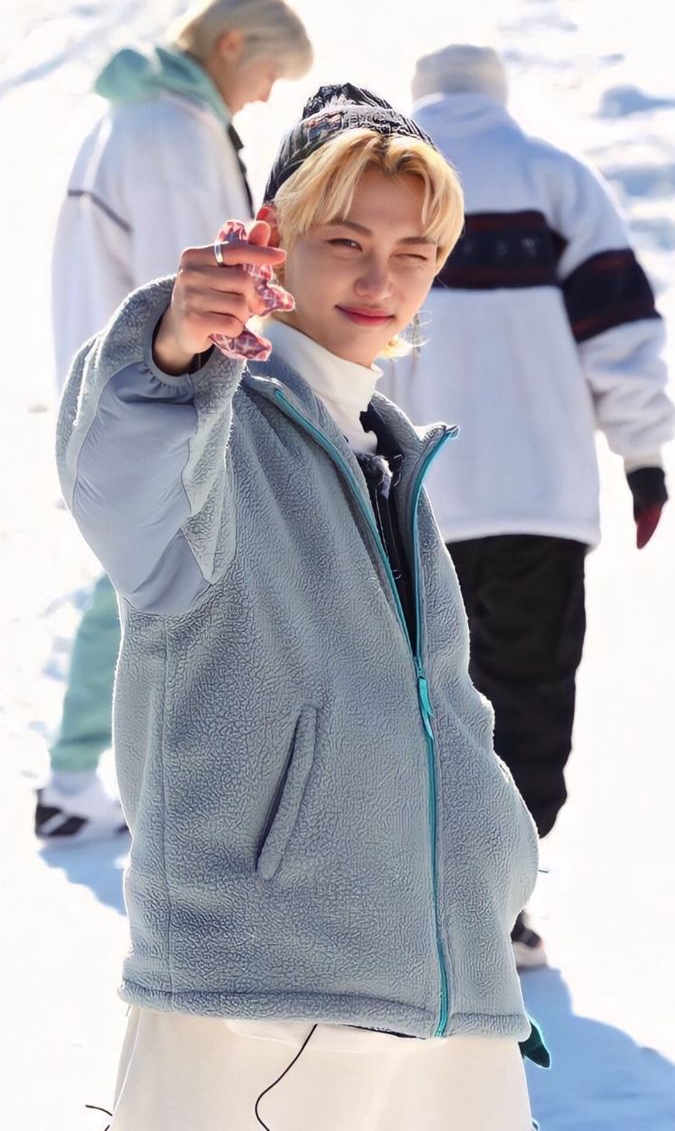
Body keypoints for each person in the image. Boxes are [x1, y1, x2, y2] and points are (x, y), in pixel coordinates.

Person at [56, 83, 548, 1130]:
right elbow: (120, 471)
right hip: (267, 1007)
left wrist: (491, 848)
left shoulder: (386, 451)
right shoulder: (213, 433)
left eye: (415, 249)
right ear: (273, 244)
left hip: (450, 993)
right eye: (346, 239)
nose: (383, 276)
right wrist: (173, 349)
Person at [378, 45, 674, 968]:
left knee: (416, 694)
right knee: (530, 696)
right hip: (541, 496)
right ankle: (500, 908)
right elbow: (620, 330)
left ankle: (418, 900)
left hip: (411, 489)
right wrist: (641, 457)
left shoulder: (392, 182)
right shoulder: (558, 179)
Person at [37, 0, 313, 843]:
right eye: (269, 72)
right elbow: (192, 277)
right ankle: (83, 778)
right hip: (157, 380)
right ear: (230, 45)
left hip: (129, 376)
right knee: (142, 577)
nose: (266, 94)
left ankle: (90, 776)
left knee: (138, 569)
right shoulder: (167, 132)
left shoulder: (140, 120)